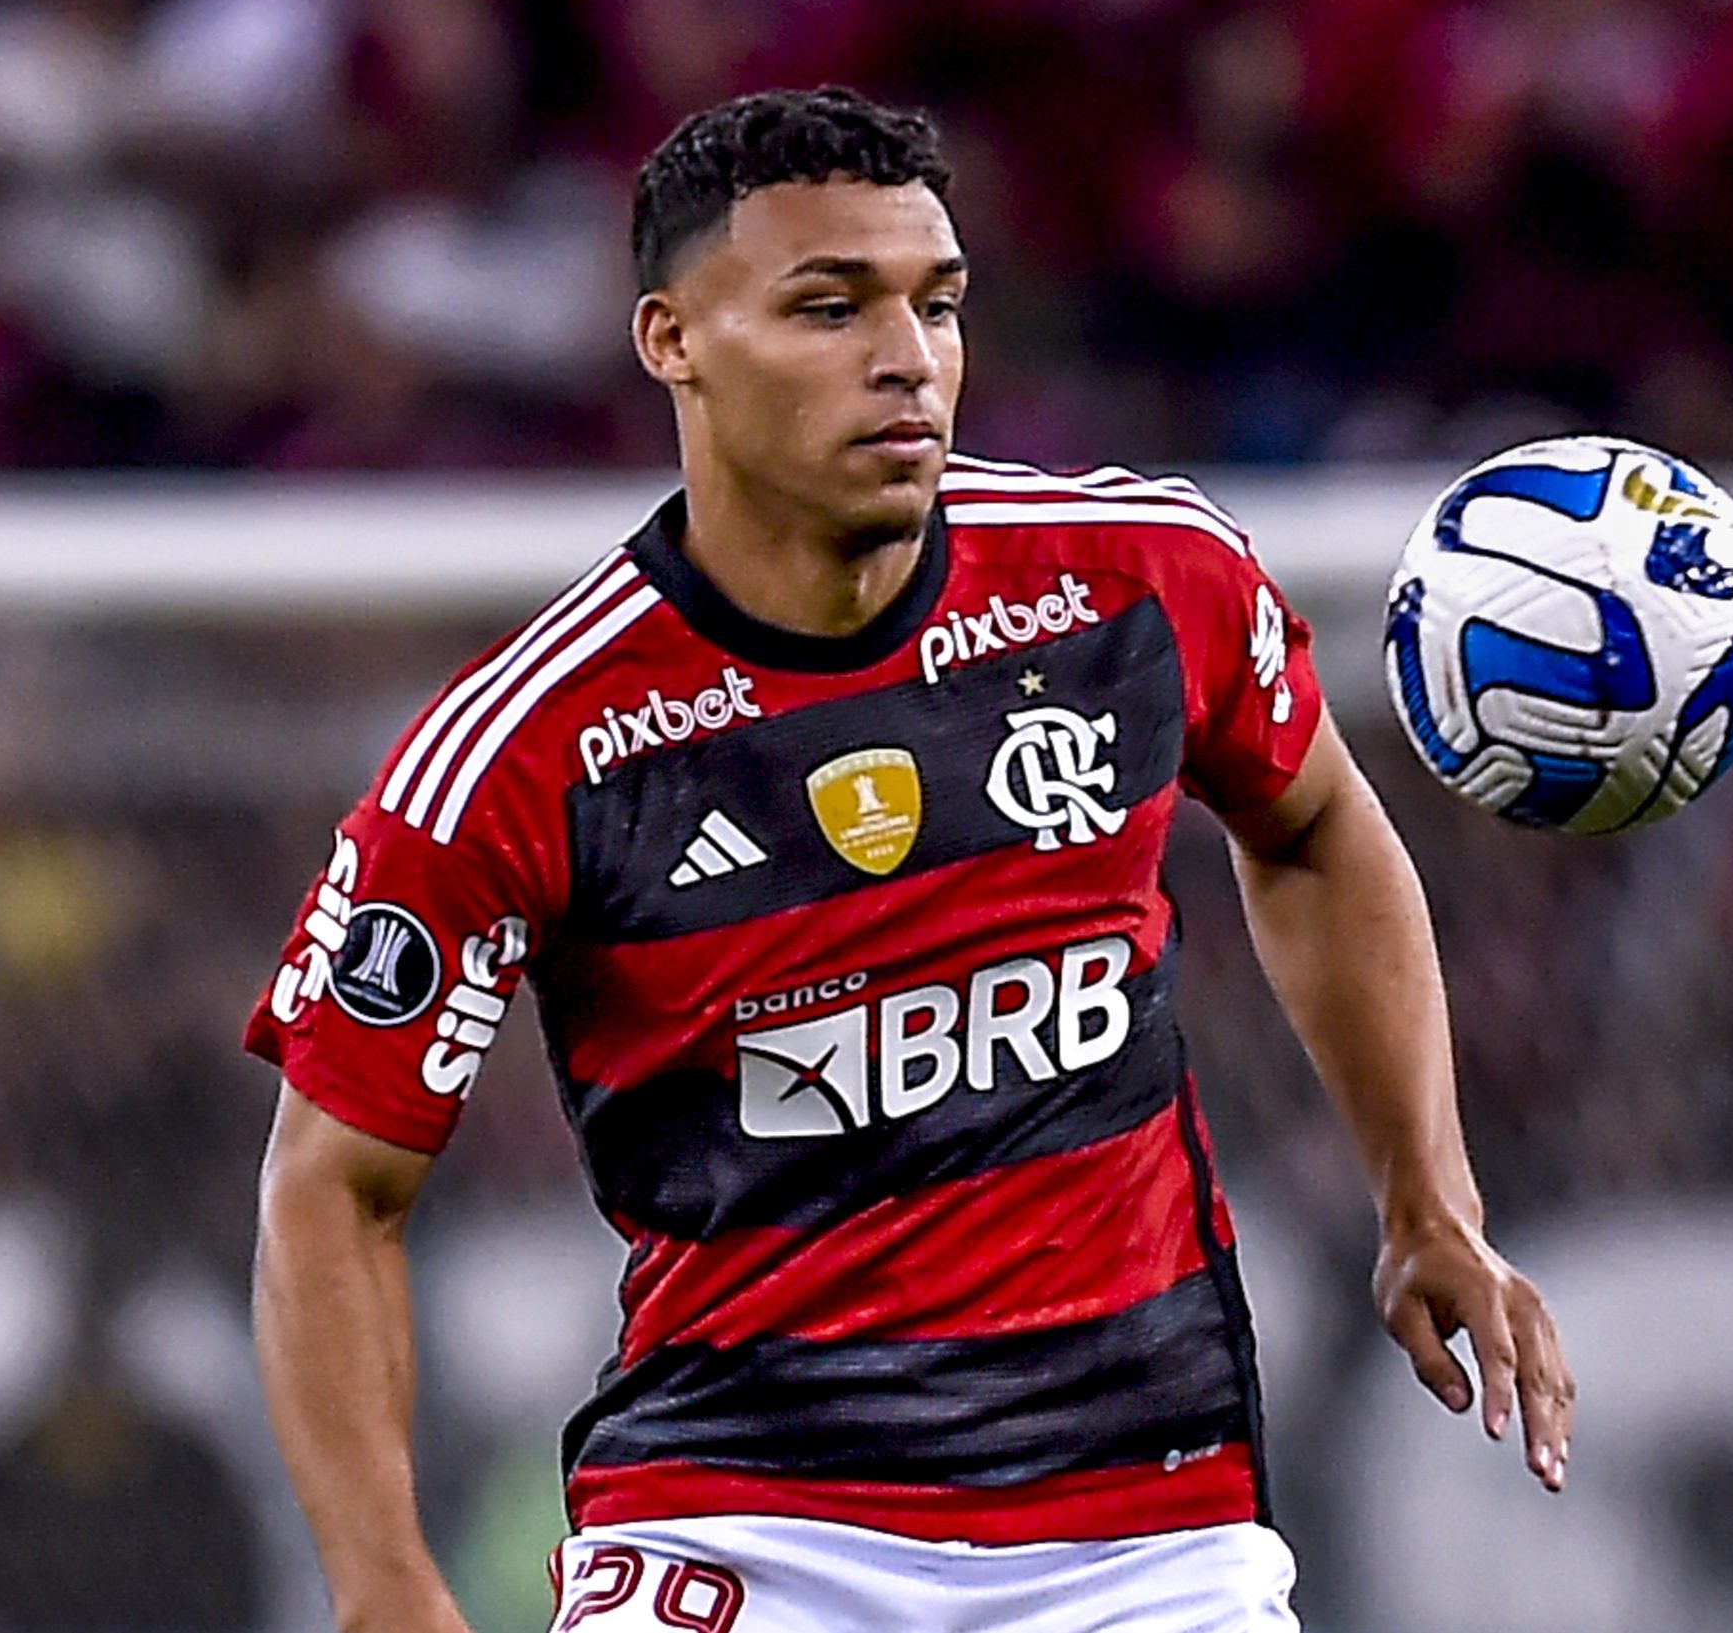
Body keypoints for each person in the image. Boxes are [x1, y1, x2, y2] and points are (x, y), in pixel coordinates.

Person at [247, 85, 1573, 1633]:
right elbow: (333, 1187)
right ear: (671, 340)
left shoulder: (1137, 582)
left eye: (937, 306)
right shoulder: (525, 752)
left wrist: (1430, 1191)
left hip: (1143, 1525)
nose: (908, 360)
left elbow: (1317, 820)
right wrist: (382, 1582)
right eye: (830, 306)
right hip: (745, 1524)